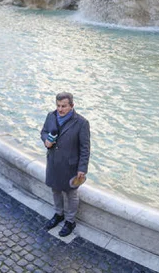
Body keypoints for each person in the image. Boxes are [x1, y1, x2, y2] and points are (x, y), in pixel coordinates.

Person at [41, 92, 91, 237]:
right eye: (58, 106)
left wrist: (82, 168)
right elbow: (43, 132)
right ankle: (58, 214)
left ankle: (70, 221)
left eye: (64, 106)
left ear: (72, 106)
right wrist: (46, 140)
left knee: (71, 194)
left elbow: (85, 148)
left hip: (70, 166)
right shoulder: (51, 116)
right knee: (55, 190)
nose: (60, 109)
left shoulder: (82, 123)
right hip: (53, 162)